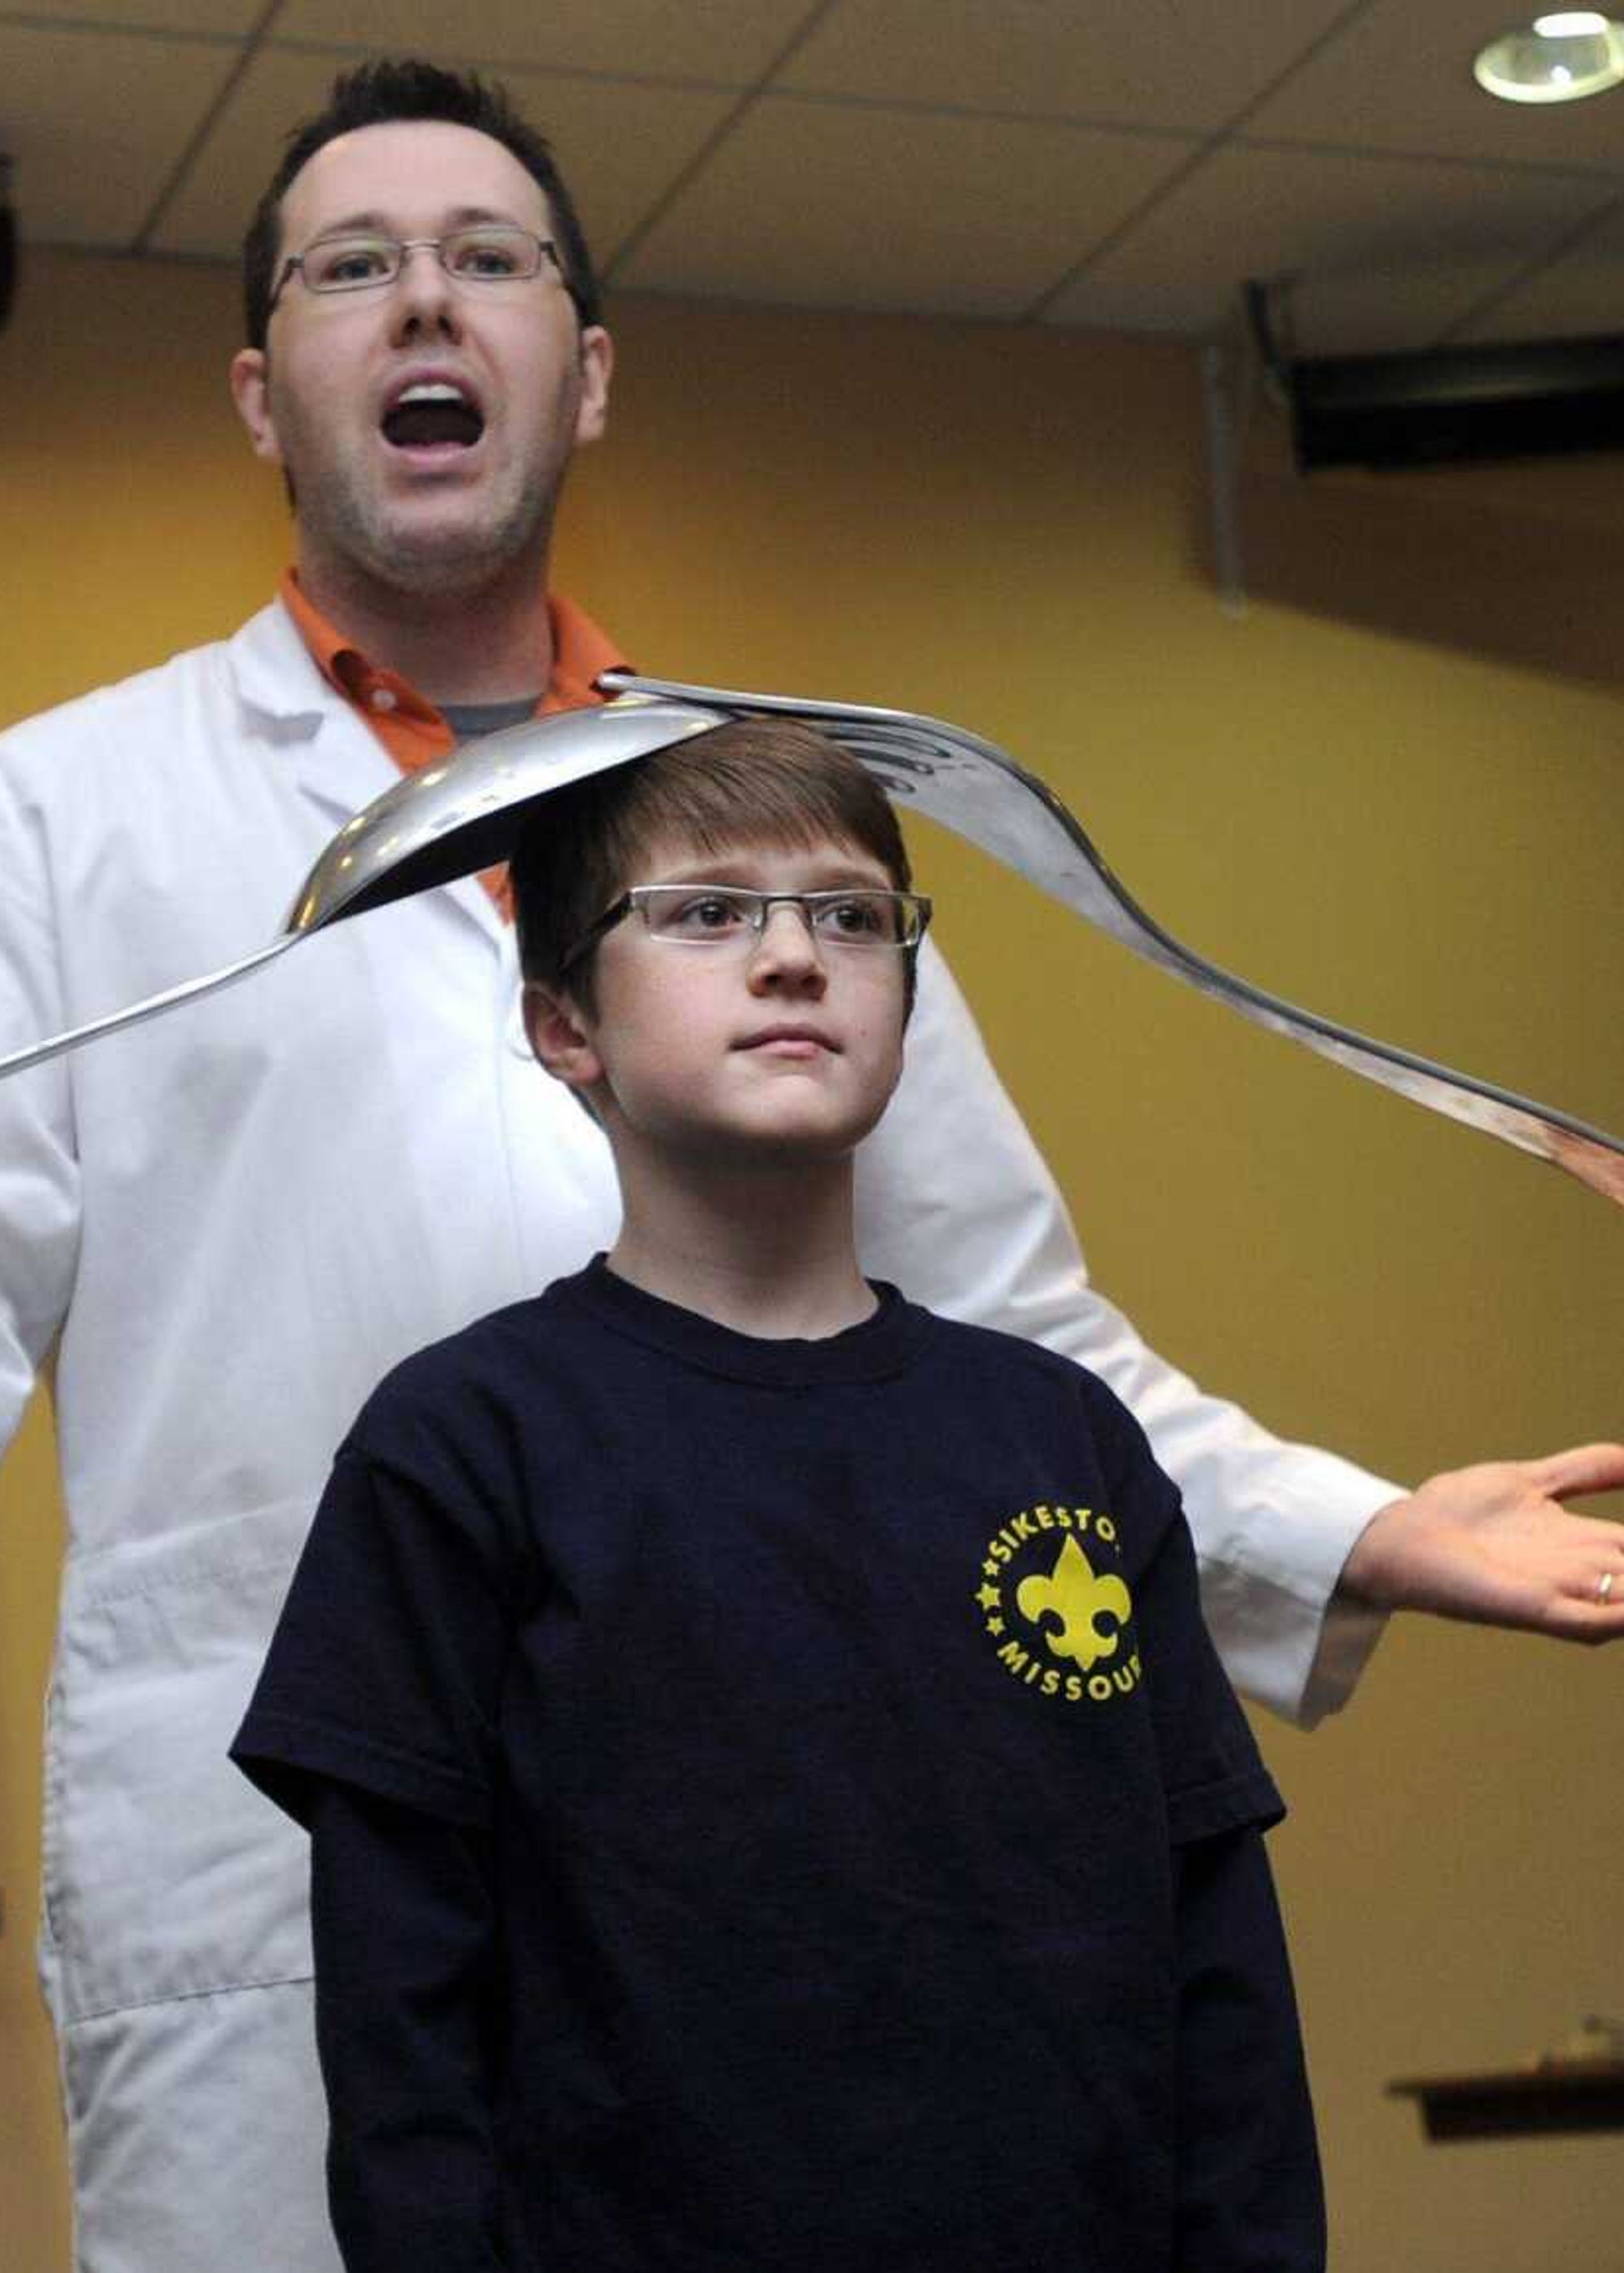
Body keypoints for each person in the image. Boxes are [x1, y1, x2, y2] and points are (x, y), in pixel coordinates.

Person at [0, 57, 1624, 2271]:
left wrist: (1351, 1522)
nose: (427, 299)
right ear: (263, 385)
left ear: (582, 369)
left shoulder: (785, 817)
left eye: (490, 258)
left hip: (785, 1888)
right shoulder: (70, 811)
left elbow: (1015, 1349)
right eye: (350, 264)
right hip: (296, 1882)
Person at [235, 715, 1326, 2270]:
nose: (795, 956)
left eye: (849, 914)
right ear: (564, 1025)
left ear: (905, 991)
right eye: (705, 913)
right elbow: (403, 2022)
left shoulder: (1059, 1442)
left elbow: (1218, 1956)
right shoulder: (467, 1446)